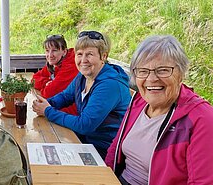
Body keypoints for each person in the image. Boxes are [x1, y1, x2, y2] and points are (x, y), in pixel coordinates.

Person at [105, 35, 213, 185]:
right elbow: (115, 148)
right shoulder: (139, 101)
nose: (151, 79)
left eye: (162, 70)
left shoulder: (201, 119)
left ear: (181, 74)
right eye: (143, 71)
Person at [32, 31, 131, 159]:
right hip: (85, 141)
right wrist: (46, 103)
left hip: (104, 151)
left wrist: (48, 111)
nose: (83, 60)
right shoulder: (84, 76)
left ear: (103, 56)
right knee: (38, 149)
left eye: (89, 54)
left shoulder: (109, 85)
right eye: (79, 54)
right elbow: (65, 97)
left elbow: (85, 125)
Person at [32, 34, 78, 115]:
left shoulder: (70, 65)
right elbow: (34, 78)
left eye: (54, 50)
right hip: (60, 109)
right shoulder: (56, 63)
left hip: (73, 114)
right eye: (47, 50)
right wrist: (46, 83)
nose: (50, 55)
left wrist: (46, 87)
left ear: (64, 51)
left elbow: (48, 93)